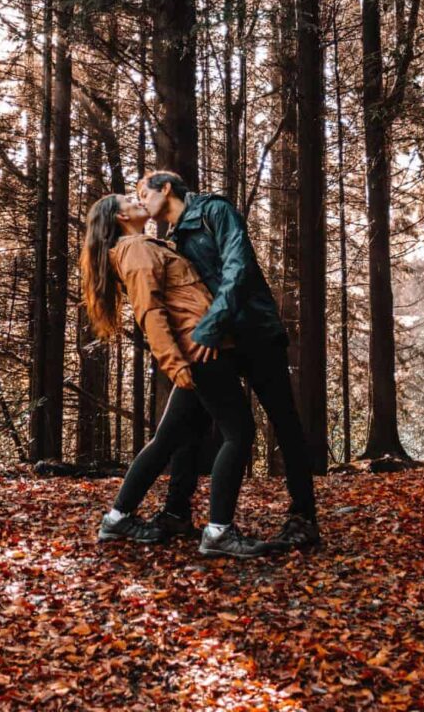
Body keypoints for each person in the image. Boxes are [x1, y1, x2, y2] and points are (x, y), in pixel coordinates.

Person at [79, 192, 270, 559]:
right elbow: (149, 311)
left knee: (168, 438)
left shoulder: (145, 244)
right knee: (240, 433)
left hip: (200, 346)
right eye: (126, 199)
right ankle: (219, 532)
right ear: (119, 217)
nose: (135, 200)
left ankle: (118, 518)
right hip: (198, 351)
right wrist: (174, 362)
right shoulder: (134, 248)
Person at [137, 171, 320, 550]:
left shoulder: (214, 211)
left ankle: (303, 517)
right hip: (216, 343)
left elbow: (239, 268)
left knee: (283, 421)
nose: (141, 201)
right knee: (189, 425)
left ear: (167, 188)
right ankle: (176, 513)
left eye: (144, 193)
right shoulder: (173, 239)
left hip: (254, 331)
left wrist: (209, 326)